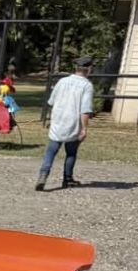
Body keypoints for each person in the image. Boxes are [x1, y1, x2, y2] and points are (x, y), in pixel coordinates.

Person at [36, 56, 94, 191]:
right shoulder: (86, 85)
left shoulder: (62, 81)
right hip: (73, 124)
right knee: (71, 153)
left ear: (76, 68)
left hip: (58, 122)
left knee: (50, 152)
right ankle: (67, 179)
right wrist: (84, 128)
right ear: (89, 69)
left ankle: (43, 175)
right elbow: (85, 110)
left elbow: (51, 101)